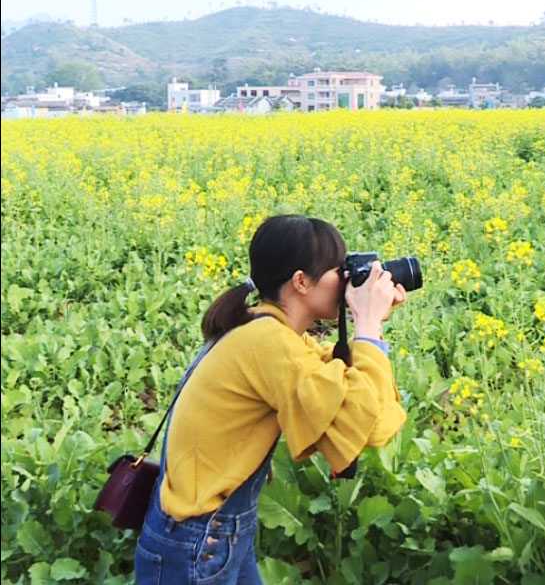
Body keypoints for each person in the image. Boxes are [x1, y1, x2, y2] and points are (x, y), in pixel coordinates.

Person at [135, 214, 408, 585]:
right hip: (197, 545)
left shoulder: (265, 327)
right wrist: (368, 330)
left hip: (211, 536)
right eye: (338, 270)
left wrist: (370, 328)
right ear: (300, 282)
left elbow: (350, 392)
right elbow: (362, 422)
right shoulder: (269, 342)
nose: (347, 280)